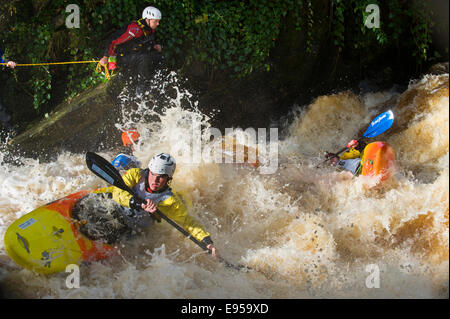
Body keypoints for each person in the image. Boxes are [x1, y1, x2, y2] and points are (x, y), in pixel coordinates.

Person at [111, 153, 220, 258]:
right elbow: (117, 193)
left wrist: (206, 241)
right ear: (148, 171)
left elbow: (188, 222)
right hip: (115, 214)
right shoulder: (135, 175)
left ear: (168, 179)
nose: (155, 180)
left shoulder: (169, 200)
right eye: (152, 174)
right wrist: (140, 204)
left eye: (161, 177)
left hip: (134, 230)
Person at [99, 6, 163, 82]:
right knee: (145, 58)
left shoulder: (149, 29)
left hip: (135, 56)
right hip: (123, 57)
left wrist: (154, 46)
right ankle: (142, 86)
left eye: (158, 21)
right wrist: (105, 56)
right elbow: (113, 41)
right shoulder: (134, 30)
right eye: (155, 21)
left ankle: (158, 81)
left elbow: (144, 43)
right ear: (147, 20)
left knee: (158, 57)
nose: (158, 24)